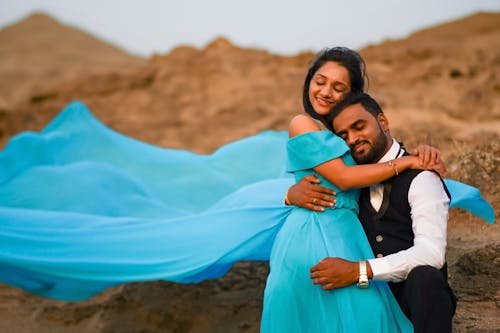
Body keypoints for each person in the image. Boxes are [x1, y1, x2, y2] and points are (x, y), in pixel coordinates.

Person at [287, 91, 456, 333]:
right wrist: (290, 196)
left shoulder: (422, 177)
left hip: (412, 302)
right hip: (369, 298)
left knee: (425, 277)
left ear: (383, 121)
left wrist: (358, 271)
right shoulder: (352, 181)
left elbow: (431, 254)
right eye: (343, 135)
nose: (353, 139)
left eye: (359, 127)